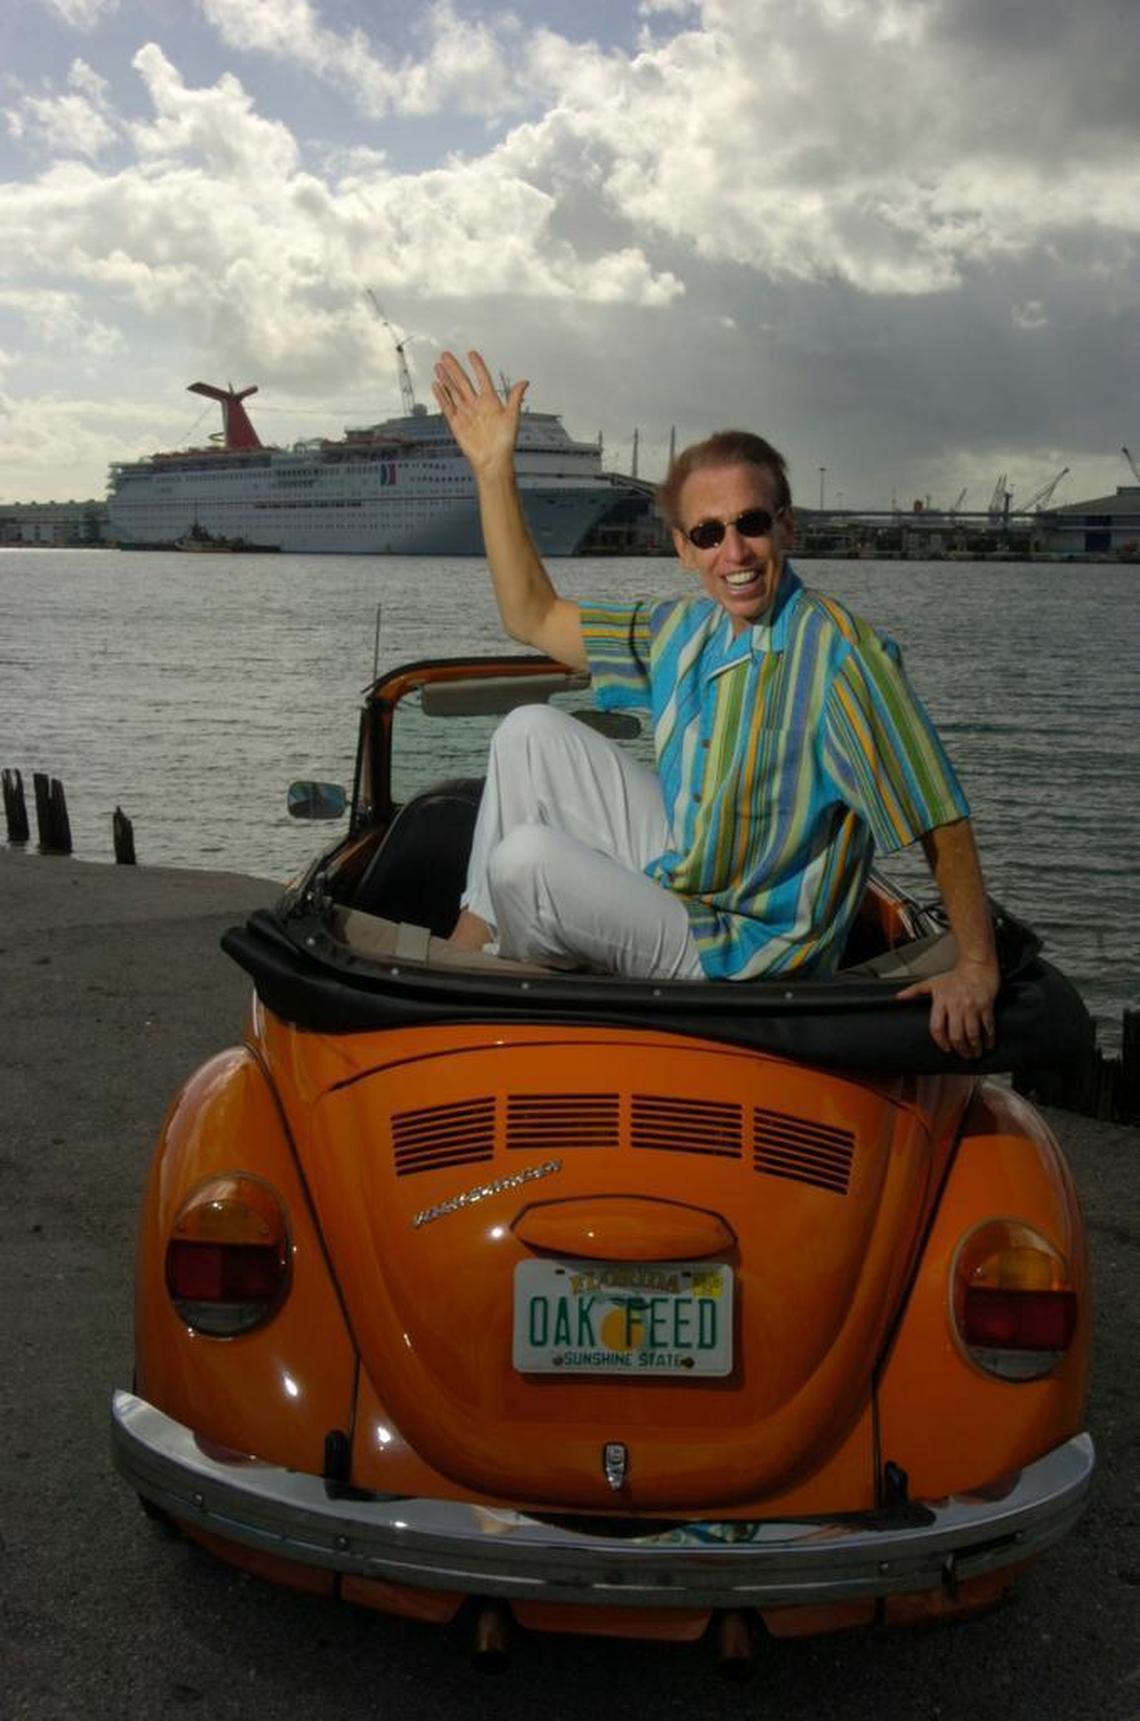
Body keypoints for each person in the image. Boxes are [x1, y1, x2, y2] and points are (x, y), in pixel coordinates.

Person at [433, 349, 999, 1059]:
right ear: (683, 548)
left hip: (749, 956)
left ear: (785, 528)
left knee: (524, 861)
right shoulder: (685, 632)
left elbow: (937, 811)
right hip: (695, 878)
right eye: (708, 533)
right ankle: (469, 946)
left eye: (750, 523)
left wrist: (976, 965)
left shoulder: (841, 659)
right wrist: (493, 472)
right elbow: (533, 616)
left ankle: (497, 997)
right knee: (528, 732)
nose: (734, 552)